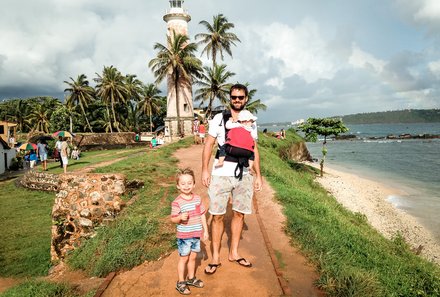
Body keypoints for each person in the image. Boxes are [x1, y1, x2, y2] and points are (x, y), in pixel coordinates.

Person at [202, 83, 262, 275]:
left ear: (246, 99)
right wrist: (204, 170)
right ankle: (215, 258)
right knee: (217, 215)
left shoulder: (251, 121)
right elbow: (209, 145)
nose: (237, 100)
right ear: (230, 98)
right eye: (234, 97)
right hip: (220, 174)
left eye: (241, 97)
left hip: (243, 173)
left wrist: (258, 175)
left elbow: (254, 149)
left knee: (239, 213)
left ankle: (234, 253)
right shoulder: (219, 119)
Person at [171, 168, 209, 295]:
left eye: (189, 183)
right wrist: (180, 218)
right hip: (184, 236)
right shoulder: (177, 202)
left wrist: (205, 230)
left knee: (193, 258)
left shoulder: (197, 199)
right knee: (184, 259)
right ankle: (181, 282)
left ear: (193, 183)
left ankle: (191, 278)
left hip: (196, 234)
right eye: (183, 183)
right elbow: (173, 219)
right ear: (178, 185)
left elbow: (202, 215)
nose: (186, 186)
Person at [215, 109, 257, 176]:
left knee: (223, 147)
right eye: (251, 121)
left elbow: (227, 126)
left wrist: (230, 120)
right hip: (247, 152)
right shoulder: (251, 129)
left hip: (233, 149)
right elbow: (254, 137)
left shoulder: (237, 125)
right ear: (246, 121)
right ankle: (250, 167)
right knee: (252, 154)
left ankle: (220, 161)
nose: (252, 123)